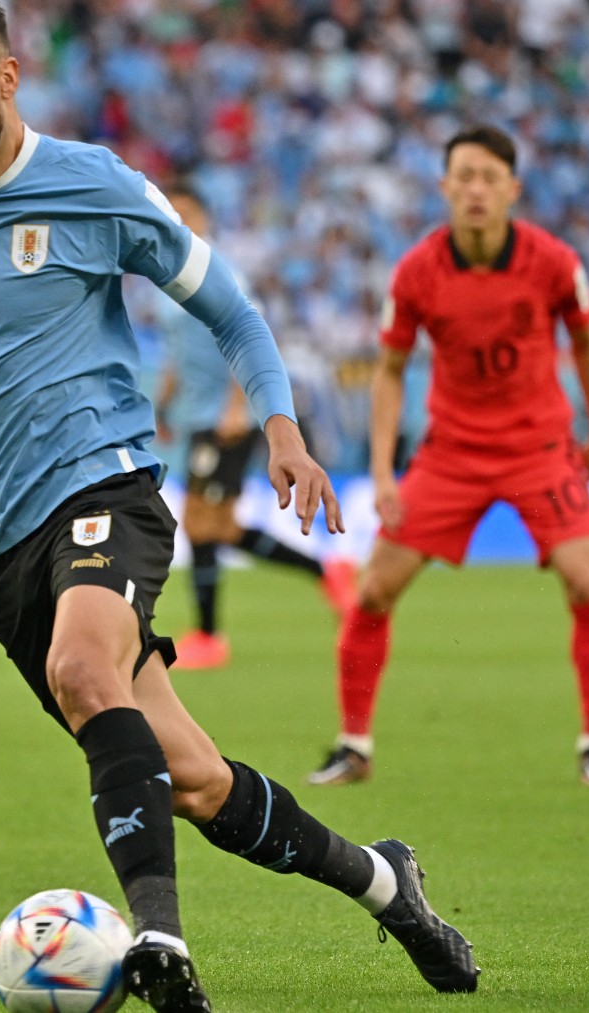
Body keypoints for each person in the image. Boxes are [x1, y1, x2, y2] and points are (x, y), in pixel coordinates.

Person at [0, 3, 474, 1006]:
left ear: (6, 78)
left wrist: (279, 425)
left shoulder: (93, 187)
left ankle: (162, 943)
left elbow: (230, 308)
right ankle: (388, 882)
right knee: (192, 780)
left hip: (101, 484)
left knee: (85, 668)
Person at [309, 125, 589, 789]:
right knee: (373, 589)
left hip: (540, 444)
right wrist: (385, 468)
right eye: (465, 177)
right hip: (451, 450)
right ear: (445, 186)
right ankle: (353, 743)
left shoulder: (555, 261)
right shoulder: (418, 270)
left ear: (513, 188)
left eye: (489, 177)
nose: (476, 189)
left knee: (587, 581)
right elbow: (390, 371)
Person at [150, 183, 356, 670]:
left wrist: (237, 407)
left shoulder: (221, 273)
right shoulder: (163, 284)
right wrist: (163, 405)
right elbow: (179, 356)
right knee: (218, 526)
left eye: (187, 213)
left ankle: (207, 635)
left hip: (224, 417)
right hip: (194, 415)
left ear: (205, 219)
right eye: (170, 213)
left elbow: (245, 339)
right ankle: (326, 571)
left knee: (200, 520)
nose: (178, 222)